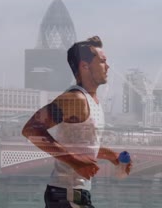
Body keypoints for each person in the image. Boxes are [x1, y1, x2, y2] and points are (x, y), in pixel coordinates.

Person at [21, 36, 132, 208]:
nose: (108, 66)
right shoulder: (75, 99)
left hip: (74, 193)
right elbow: (31, 130)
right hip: (67, 193)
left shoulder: (91, 100)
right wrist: (75, 161)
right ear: (84, 66)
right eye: (102, 62)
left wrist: (111, 156)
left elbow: (80, 146)